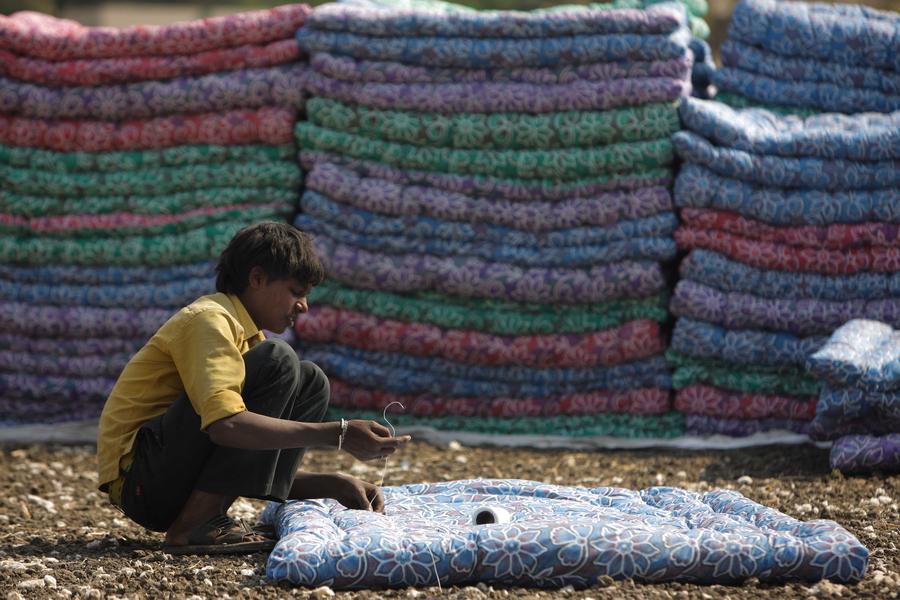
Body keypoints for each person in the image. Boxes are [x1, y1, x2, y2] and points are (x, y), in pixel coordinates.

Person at [96, 221, 411, 554]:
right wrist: (340, 434)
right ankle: (194, 525)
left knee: (311, 381)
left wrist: (332, 484)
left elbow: (236, 461)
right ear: (257, 278)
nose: (303, 306)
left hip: (168, 482)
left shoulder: (247, 340)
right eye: (295, 291)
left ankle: (200, 518)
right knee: (279, 360)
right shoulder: (210, 320)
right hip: (141, 483)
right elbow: (225, 427)